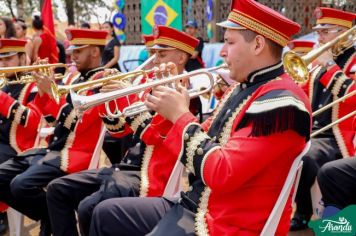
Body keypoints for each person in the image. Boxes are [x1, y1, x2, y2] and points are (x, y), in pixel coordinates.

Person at [89, 0, 312, 235]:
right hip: (199, 204)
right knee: (105, 214)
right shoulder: (243, 88)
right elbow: (196, 138)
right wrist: (171, 115)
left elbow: (222, 173)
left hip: (226, 223)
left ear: (258, 44)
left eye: (229, 42)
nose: (223, 51)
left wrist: (181, 116)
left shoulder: (282, 102)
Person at [46, 25, 200, 236]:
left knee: (88, 207)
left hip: (150, 176)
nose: (154, 59)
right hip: (125, 167)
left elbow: (154, 136)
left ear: (182, 58)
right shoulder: (148, 84)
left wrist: (125, 97)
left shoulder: (186, 94)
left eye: (161, 54)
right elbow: (118, 131)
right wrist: (107, 96)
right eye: (153, 53)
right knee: (57, 189)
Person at [0, 28, 109, 236]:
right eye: (72, 50)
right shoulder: (72, 79)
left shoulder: (102, 83)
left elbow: (78, 123)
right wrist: (45, 92)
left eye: (78, 51)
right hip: (54, 149)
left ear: (95, 52)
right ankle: (48, 216)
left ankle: (49, 217)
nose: (72, 55)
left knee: (21, 185)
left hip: (75, 155)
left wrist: (52, 94)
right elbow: (55, 121)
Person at [291, 7, 356, 230]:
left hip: (339, 135)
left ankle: (303, 212)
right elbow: (302, 93)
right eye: (318, 32)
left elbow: (353, 97)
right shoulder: (321, 61)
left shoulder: (351, 60)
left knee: (306, 157)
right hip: (315, 130)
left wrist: (330, 66)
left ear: (344, 33)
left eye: (325, 32)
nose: (319, 38)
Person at [0, 38, 42, 235]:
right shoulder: (4, 84)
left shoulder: (33, 87)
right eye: (1, 60)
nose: (3, 64)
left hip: (19, 148)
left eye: (8, 59)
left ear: (22, 58)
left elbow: (33, 121)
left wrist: (2, 99)